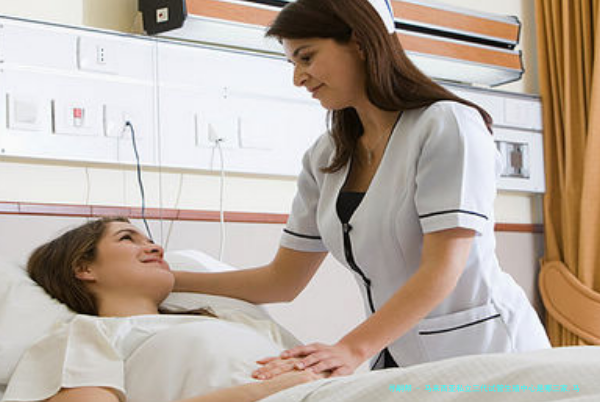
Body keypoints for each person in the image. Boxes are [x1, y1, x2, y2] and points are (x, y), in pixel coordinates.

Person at [172, 0, 551, 379]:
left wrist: (350, 349)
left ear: (359, 42)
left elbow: (442, 269)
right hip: (398, 360)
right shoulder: (326, 156)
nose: (298, 78)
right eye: (292, 64)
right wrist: (169, 281)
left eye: (306, 57)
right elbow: (281, 281)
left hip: (490, 355)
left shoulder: (446, 124)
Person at [2, 217, 322, 402]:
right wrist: (265, 391)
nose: (156, 247)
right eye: (127, 238)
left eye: (150, 240)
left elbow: (318, 367)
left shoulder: (231, 318)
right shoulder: (86, 336)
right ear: (84, 268)